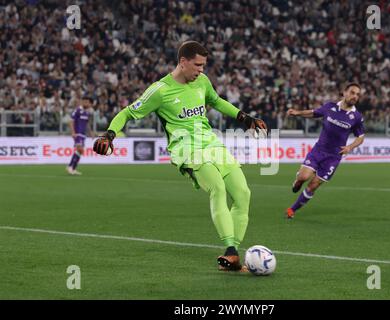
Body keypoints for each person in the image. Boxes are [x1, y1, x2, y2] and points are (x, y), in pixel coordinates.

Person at [92, 41, 267, 272]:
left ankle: (231, 253)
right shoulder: (160, 90)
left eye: (204, 65)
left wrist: (245, 118)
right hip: (186, 148)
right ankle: (231, 251)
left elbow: (216, 101)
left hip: (211, 142)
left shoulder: (202, 82)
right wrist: (109, 135)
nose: (201, 70)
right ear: (182, 62)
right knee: (218, 188)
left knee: (243, 193)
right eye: (197, 65)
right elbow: (128, 112)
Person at [285, 83, 365, 218]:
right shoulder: (330, 107)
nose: (355, 96)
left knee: (313, 185)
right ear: (344, 92)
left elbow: (361, 137)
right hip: (319, 150)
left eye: (357, 95)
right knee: (303, 178)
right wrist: (297, 113)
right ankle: (298, 180)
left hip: (334, 157)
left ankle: (292, 210)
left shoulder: (356, 117)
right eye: (352, 92)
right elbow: (313, 113)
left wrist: (350, 147)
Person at [66, 96, 93, 175]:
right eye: (85, 102)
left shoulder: (86, 112)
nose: (86, 103)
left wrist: (90, 132)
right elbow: (71, 121)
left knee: (80, 151)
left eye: (87, 102)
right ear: (82, 102)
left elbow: (87, 123)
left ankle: (72, 168)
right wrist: (73, 132)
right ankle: (70, 167)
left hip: (83, 135)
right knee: (80, 149)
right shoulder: (78, 110)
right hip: (77, 133)